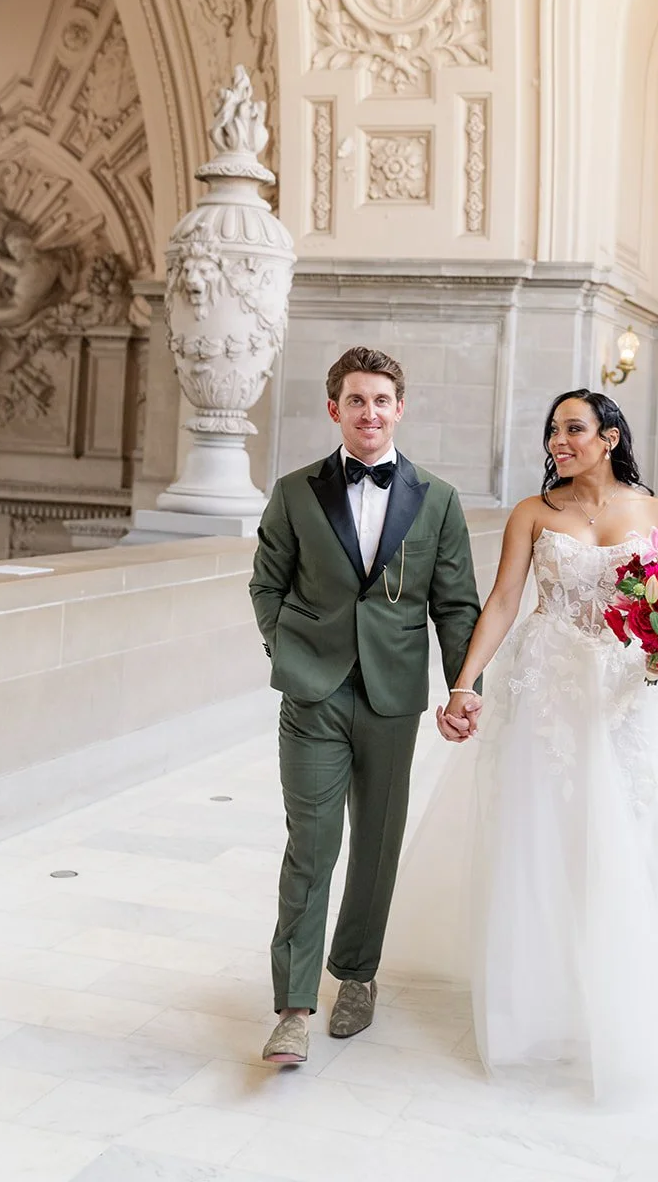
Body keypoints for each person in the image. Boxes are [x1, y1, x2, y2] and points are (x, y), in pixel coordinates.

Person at [385, 388, 658, 1106]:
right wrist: (462, 684)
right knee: (544, 840)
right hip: (548, 691)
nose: (557, 441)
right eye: (552, 431)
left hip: (629, 698)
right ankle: (541, 1005)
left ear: (609, 436)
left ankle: (626, 991)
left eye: (572, 428)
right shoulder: (533, 514)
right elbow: (505, 602)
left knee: (636, 839)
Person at [249, 346, 481, 1065]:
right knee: (311, 847)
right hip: (312, 693)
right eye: (355, 400)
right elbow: (266, 585)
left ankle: (355, 976)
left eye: (381, 400)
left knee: (377, 848)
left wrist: (462, 686)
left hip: (392, 696)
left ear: (399, 408)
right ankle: (291, 1007)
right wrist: (288, 652)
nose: (369, 412)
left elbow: (455, 604)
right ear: (334, 410)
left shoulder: (436, 499)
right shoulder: (292, 492)